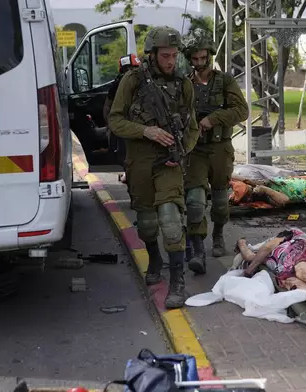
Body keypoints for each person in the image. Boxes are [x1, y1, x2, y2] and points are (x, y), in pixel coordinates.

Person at [108, 26, 199, 309]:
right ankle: (154, 258)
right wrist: (145, 132)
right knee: (147, 225)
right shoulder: (133, 81)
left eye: (174, 55)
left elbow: (192, 126)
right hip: (140, 161)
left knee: (171, 223)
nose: (171, 61)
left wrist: (181, 150)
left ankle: (177, 282)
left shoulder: (184, 84)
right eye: (165, 56)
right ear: (152, 54)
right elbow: (115, 120)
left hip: (169, 162)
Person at [180, 28, 249, 275]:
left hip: (220, 148)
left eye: (202, 58)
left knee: (220, 201)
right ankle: (197, 247)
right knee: (195, 201)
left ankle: (218, 234)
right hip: (195, 150)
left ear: (209, 55)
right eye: (194, 59)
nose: (199, 64)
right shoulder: (185, 83)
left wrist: (213, 119)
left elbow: (242, 111)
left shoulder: (225, 81)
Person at [104, 54, 141, 185]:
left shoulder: (118, 84)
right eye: (130, 69)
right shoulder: (121, 84)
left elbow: (108, 109)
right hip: (130, 127)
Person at [229, 175, 306, 207]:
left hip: (303, 184)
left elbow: (245, 179)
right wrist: (266, 190)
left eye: (249, 189)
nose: (251, 190)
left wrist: (226, 175)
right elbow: (284, 200)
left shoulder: (257, 187)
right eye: (248, 193)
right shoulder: (265, 196)